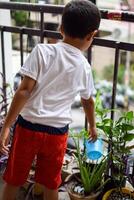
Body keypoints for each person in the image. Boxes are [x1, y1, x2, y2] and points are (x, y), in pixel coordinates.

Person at [0, 0, 101, 200]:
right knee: (50, 183)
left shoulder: (42, 51)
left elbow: (23, 91)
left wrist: (6, 127)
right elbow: (88, 101)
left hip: (28, 128)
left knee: (14, 178)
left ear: (61, 28)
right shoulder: (84, 65)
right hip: (57, 133)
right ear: (91, 36)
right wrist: (92, 127)